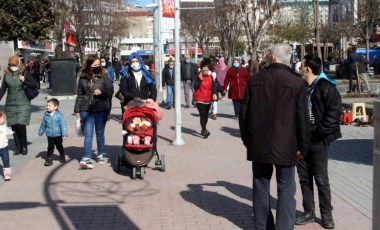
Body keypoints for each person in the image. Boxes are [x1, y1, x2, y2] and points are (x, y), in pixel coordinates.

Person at [239, 43, 310, 230]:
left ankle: (262, 226)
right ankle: (284, 227)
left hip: (259, 143)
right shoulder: (297, 82)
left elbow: (244, 115)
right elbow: (302, 118)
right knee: (286, 188)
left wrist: (247, 140)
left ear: (272, 57)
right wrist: (303, 146)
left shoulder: (255, 80)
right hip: (287, 143)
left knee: (261, 187)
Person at [295, 55, 342, 229]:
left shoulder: (327, 87)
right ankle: (308, 212)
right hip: (302, 141)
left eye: (302, 66)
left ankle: (326, 214)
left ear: (307, 68)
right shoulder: (301, 87)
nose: (300, 69)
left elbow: (333, 115)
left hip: (318, 140)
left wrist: (318, 134)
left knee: (321, 178)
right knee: (304, 178)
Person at [74, 55, 114, 169]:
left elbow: (110, 90)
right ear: (89, 65)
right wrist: (77, 109)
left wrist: (101, 91)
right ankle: (86, 157)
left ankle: (100, 154)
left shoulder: (104, 74)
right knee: (88, 134)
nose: (97, 67)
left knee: (100, 134)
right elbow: (80, 94)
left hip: (101, 108)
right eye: (94, 65)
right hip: (86, 109)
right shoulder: (82, 77)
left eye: (98, 65)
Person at [0, 55, 37, 155]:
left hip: (23, 102)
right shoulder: (6, 75)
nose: (12, 67)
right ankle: (17, 147)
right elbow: (3, 89)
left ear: (18, 64)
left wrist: (24, 80)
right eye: (10, 65)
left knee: (20, 124)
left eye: (14, 65)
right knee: (14, 126)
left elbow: (35, 84)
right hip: (10, 104)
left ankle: (24, 146)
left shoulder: (25, 72)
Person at [38, 98, 68, 166]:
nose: (47, 107)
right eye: (47, 105)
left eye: (49, 105)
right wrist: (41, 132)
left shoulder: (59, 115)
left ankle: (62, 156)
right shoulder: (46, 115)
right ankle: (49, 159)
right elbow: (43, 124)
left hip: (58, 135)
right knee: (50, 147)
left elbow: (63, 125)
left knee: (59, 146)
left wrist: (64, 134)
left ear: (55, 107)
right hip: (49, 135)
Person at [193, 59, 218, 139]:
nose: (205, 72)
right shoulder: (198, 76)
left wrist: (214, 93)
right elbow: (195, 86)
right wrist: (199, 80)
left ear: (209, 70)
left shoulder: (212, 76)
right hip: (199, 99)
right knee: (202, 115)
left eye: (206, 70)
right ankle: (204, 130)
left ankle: (203, 128)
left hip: (208, 99)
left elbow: (215, 86)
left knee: (206, 116)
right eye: (203, 70)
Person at [0, 111, 14, 181]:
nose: (5, 119)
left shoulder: (4, 126)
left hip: (4, 147)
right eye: (3, 118)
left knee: (6, 160)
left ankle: (7, 174)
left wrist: (11, 132)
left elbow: (7, 131)